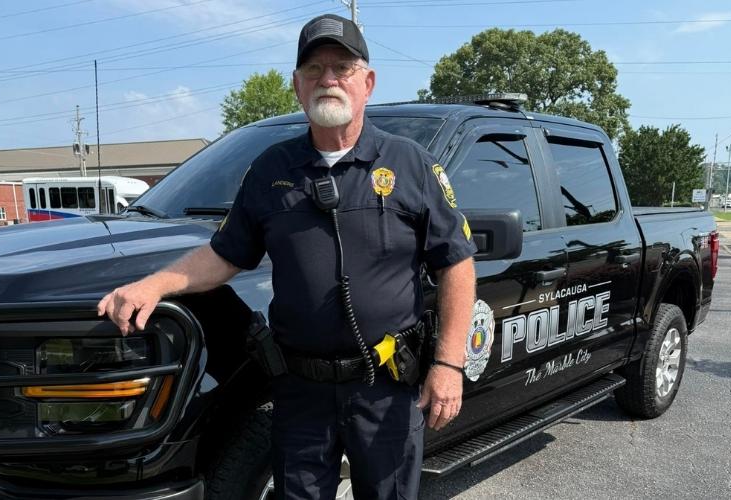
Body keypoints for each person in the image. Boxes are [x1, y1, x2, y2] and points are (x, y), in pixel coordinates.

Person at [97, 13, 476, 500]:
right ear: (298, 86)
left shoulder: (410, 164)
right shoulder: (271, 170)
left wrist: (449, 364)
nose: (328, 79)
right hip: (300, 390)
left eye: (342, 67)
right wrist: (153, 285)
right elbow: (224, 255)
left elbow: (456, 263)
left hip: (384, 385)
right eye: (314, 69)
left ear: (368, 82)